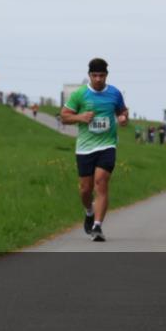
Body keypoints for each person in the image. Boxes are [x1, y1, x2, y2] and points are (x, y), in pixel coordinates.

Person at [60, 58, 129, 242]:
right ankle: (89, 212)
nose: (98, 79)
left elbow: (123, 111)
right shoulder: (80, 94)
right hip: (85, 148)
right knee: (85, 189)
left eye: (102, 75)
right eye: (95, 75)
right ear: (89, 75)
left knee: (101, 183)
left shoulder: (114, 93)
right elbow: (64, 116)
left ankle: (97, 226)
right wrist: (81, 117)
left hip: (107, 145)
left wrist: (123, 118)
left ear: (106, 75)